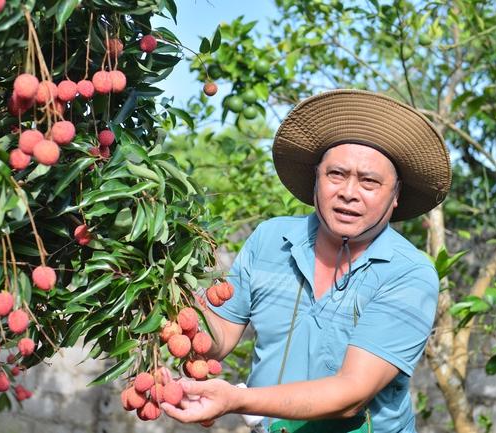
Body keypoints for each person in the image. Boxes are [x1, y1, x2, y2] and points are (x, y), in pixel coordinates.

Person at [161, 89, 452, 433]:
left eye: (370, 181)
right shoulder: (271, 240)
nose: (348, 192)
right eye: (336, 175)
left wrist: (236, 399)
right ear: (316, 179)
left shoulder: (409, 274)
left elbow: (351, 394)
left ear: (395, 196)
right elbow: (222, 332)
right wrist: (175, 311)